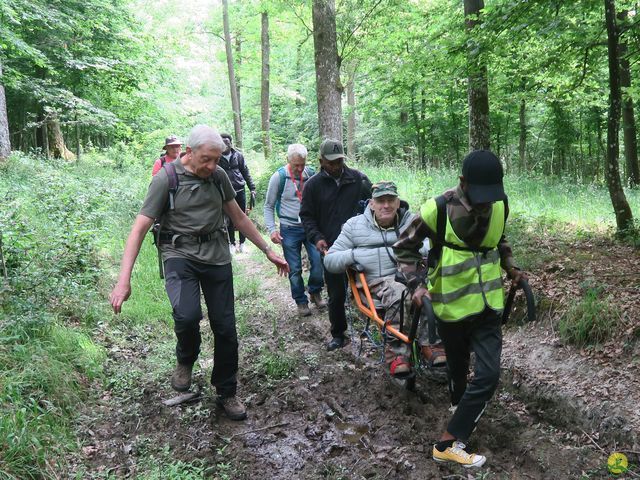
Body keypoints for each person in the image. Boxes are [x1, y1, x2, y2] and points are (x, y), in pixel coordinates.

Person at [109, 125, 289, 421]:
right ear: (188, 152)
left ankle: (226, 390)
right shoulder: (165, 179)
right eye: (206, 159)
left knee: (226, 327)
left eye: (217, 159)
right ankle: (185, 361)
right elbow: (139, 228)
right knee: (187, 315)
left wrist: (267, 251)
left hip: (216, 255)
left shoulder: (218, 176)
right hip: (179, 255)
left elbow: (238, 217)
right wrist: (123, 280)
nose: (212, 166)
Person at [393, 150, 527, 468]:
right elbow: (404, 247)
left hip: (488, 305)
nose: (485, 204)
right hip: (449, 306)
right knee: (456, 371)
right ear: (462, 182)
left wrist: (511, 267)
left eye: (490, 196)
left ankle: (449, 441)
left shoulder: (500, 203)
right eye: (479, 196)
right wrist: (417, 287)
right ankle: (459, 408)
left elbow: (499, 239)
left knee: (489, 374)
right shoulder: (437, 209)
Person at [323, 181, 445, 377]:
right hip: (375, 282)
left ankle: (431, 344)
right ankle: (397, 354)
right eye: (380, 201)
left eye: (390, 200)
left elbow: (430, 247)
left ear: (398, 202)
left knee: (433, 293)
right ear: (371, 203)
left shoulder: (411, 221)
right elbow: (330, 260)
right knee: (400, 293)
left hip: (411, 276)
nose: (385, 205)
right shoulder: (354, 226)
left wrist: (412, 248)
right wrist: (355, 255)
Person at [300, 138, 372, 351]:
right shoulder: (313, 185)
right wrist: (317, 238)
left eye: (339, 161)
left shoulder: (359, 180)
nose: (335, 166)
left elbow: (373, 207)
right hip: (332, 247)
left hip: (361, 246)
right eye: (331, 162)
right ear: (321, 161)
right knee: (336, 294)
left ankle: (380, 329)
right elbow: (307, 216)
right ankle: (338, 334)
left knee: (372, 289)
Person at [264, 144, 326, 317]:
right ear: (288, 160)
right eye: (295, 165)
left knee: (318, 261)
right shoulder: (279, 177)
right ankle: (301, 301)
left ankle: (315, 292)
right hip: (289, 228)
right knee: (295, 268)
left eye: (302, 164)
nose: (299, 168)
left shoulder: (311, 174)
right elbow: (268, 206)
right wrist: (272, 229)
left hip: (310, 227)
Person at [219, 133, 256, 253]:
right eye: (222, 142)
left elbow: (245, 172)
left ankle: (243, 243)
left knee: (242, 216)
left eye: (227, 142)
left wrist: (252, 188)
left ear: (231, 143)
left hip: (240, 190)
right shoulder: (217, 158)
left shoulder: (238, 156)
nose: (225, 145)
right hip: (226, 193)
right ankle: (232, 244)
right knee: (229, 218)